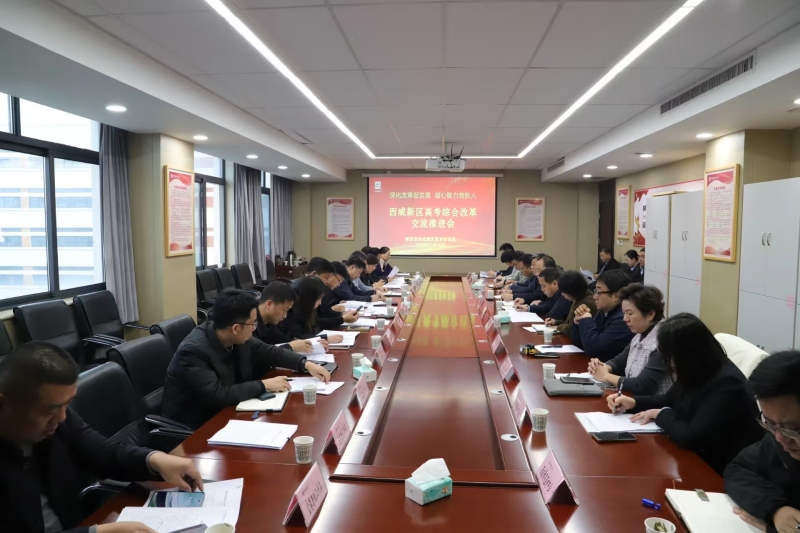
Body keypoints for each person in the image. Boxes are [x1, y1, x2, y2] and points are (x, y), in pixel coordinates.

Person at [0, 342, 204, 533]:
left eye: (67, 405)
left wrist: (154, 460)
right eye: (49, 411)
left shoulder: (58, 419)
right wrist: (96, 532)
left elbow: (101, 452)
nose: (61, 418)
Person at [609, 313, 763, 475]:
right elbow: (669, 399)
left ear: (687, 353)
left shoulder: (728, 383)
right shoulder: (698, 368)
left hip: (722, 469)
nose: (667, 361)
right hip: (697, 458)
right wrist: (633, 402)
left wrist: (659, 414)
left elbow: (692, 437)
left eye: (669, 355)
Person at [163, 289, 331, 429]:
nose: (254, 329)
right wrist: (264, 385)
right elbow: (218, 394)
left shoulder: (234, 336)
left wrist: (306, 364)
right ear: (236, 328)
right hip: (196, 427)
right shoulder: (193, 351)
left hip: (229, 412)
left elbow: (269, 352)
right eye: (253, 324)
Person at [725, 351, 800, 533]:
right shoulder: (778, 439)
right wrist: (777, 510)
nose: (779, 437)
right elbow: (738, 469)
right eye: (770, 423)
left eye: (792, 428)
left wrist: (770, 529)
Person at [587, 284, 671, 395]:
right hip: (632, 400)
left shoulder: (663, 342)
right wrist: (602, 367)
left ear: (650, 314)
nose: (625, 319)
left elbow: (641, 385)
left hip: (653, 404)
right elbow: (618, 362)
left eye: (630, 313)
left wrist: (605, 376)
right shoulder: (640, 335)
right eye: (624, 313)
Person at [571, 269, 634, 361]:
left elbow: (594, 349)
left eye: (599, 292)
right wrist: (578, 321)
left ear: (616, 296)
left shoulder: (623, 320)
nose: (594, 297)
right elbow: (578, 343)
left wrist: (586, 320)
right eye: (595, 291)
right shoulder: (604, 311)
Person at [291, 256, 358, 329]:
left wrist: (342, 315)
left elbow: (325, 313)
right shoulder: (298, 289)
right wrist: (342, 319)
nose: (328, 282)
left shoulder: (318, 288)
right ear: (314, 274)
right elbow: (312, 322)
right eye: (326, 278)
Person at [254, 282, 318, 353]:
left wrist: (312, 342)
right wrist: (289, 347)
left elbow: (283, 340)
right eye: (284, 310)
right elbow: (257, 353)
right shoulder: (249, 323)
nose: (285, 316)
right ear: (269, 304)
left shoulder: (269, 323)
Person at [280, 276, 339, 341]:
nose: (320, 303)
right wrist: (325, 338)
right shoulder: (291, 311)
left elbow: (316, 326)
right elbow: (298, 337)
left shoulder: (308, 309)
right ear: (310, 298)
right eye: (319, 299)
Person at [545, 270, 596, 337]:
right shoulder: (578, 298)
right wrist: (556, 322)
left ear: (572, 290)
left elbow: (572, 328)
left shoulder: (586, 303)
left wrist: (558, 327)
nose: (562, 294)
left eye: (564, 292)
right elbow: (570, 322)